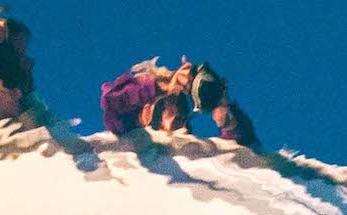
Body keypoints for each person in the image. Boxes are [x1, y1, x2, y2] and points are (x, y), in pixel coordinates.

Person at [98, 57, 259, 148]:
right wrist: (164, 85)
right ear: (148, 113)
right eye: (171, 115)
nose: (181, 126)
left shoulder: (190, 154)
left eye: (183, 117)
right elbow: (111, 103)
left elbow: (246, 153)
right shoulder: (129, 150)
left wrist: (220, 104)